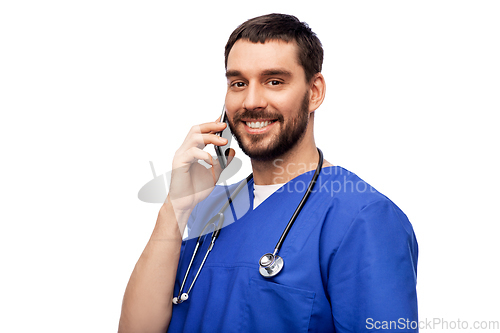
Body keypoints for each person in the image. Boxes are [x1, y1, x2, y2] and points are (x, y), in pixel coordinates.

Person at [119, 13, 418, 333]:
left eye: (274, 81)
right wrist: (174, 207)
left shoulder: (363, 217)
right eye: (238, 83)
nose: (251, 101)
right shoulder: (204, 209)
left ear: (314, 91)